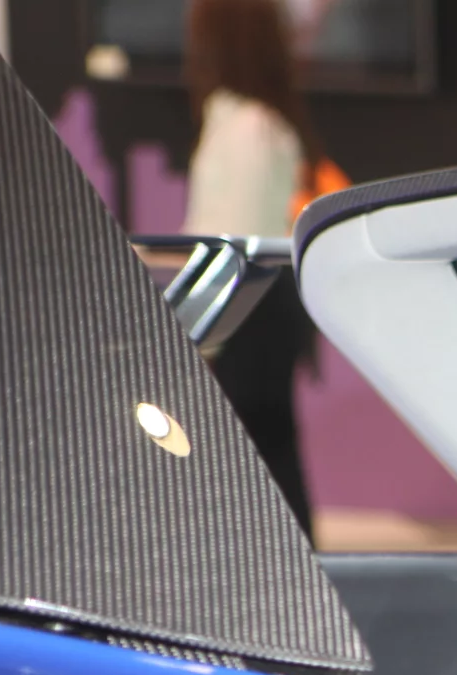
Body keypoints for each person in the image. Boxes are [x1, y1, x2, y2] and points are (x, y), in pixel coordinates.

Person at [184, 0, 322, 530]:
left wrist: (197, 338)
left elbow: (232, 248)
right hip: (253, 312)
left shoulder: (249, 128)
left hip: (248, 316)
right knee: (267, 461)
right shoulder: (247, 121)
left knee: (261, 465)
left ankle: (288, 568)